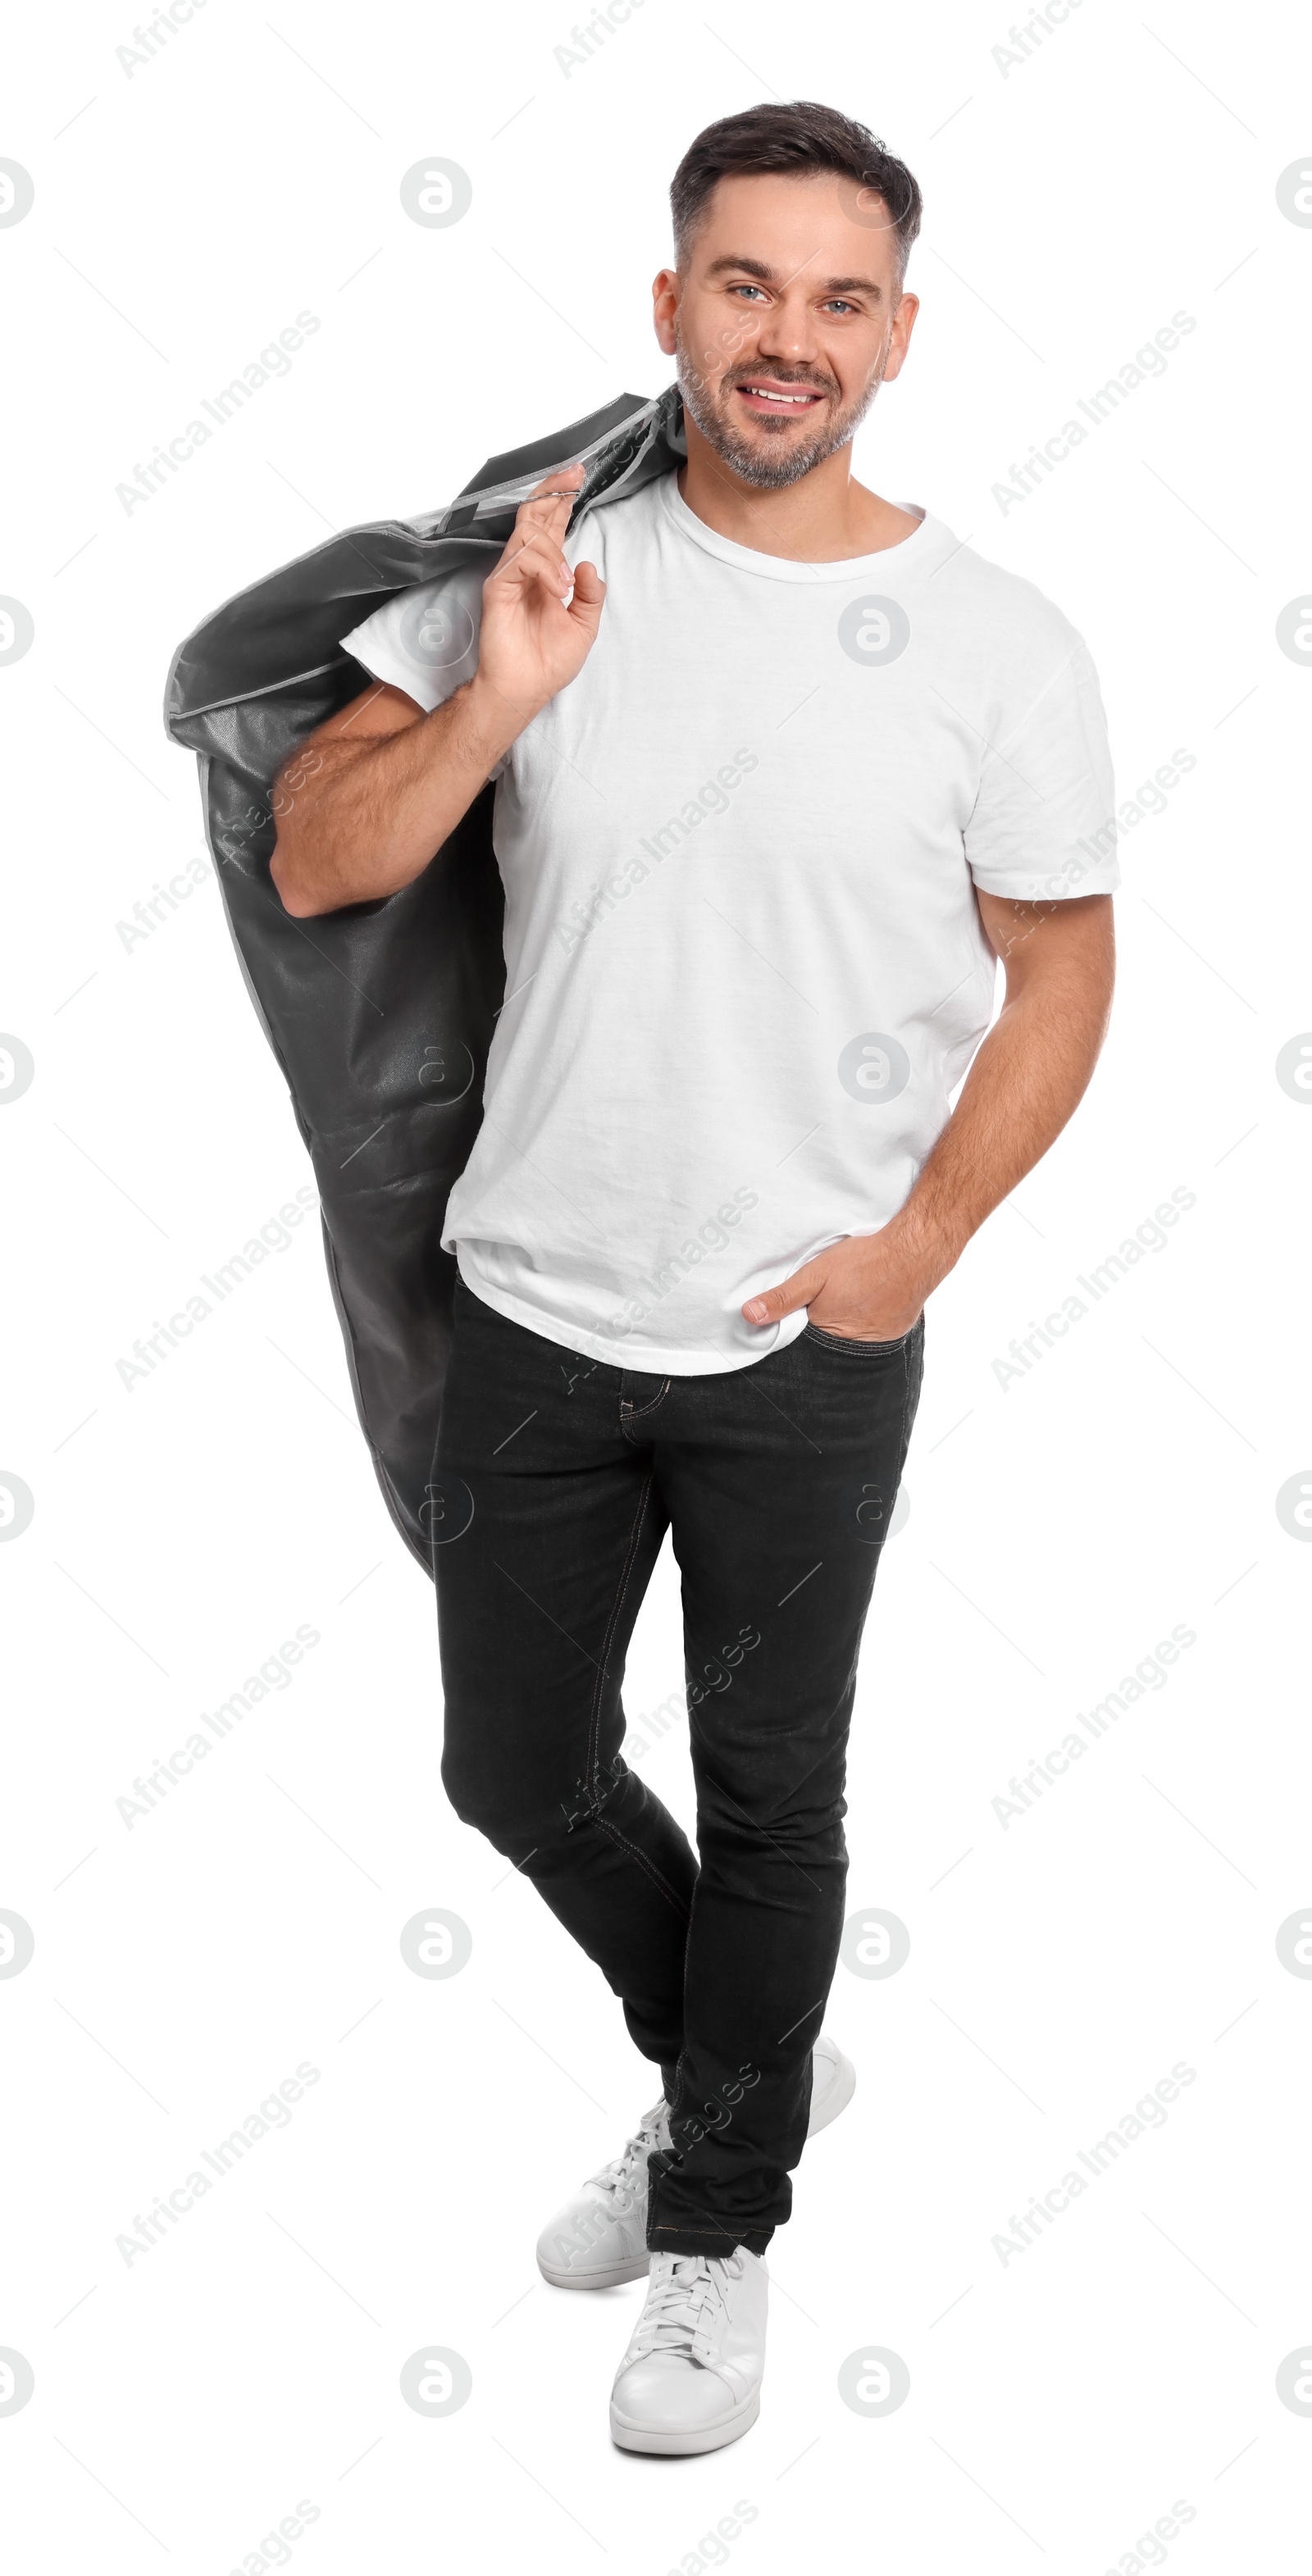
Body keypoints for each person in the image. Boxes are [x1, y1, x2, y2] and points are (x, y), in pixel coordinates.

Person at [268, 99, 1117, 2456]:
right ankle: (745, 2062)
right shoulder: (536, 575)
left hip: (796, 1348)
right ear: (670, 307)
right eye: (745, 286)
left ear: (901, 338)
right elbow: (327, 857)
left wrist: (914, 1250)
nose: (788, 339)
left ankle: (719, 2219)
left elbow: (1061, 973)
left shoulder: (996, 644)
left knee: (776, 1803)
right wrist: (500, 701)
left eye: (841, 299)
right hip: (531, 1315)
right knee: (509, 1769)